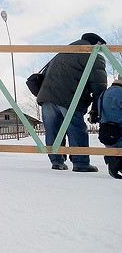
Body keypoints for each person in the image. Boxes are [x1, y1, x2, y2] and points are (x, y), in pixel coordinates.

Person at [36, 33, 107, 172]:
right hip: (69, 98)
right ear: (96, 44)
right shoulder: (93, 55)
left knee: (52, 130)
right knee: (76, 128)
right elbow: (99, 86)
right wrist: (97, 108)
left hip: (47, 97)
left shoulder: (63, 52)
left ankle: (57, 161)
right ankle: (81, 163)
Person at [96, 75, 122, 179]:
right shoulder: (120, 93)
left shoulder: (104, 93)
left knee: (113, 151)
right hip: (119, 130)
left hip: (106, 131)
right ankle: (115, 164)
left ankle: (113, 162)